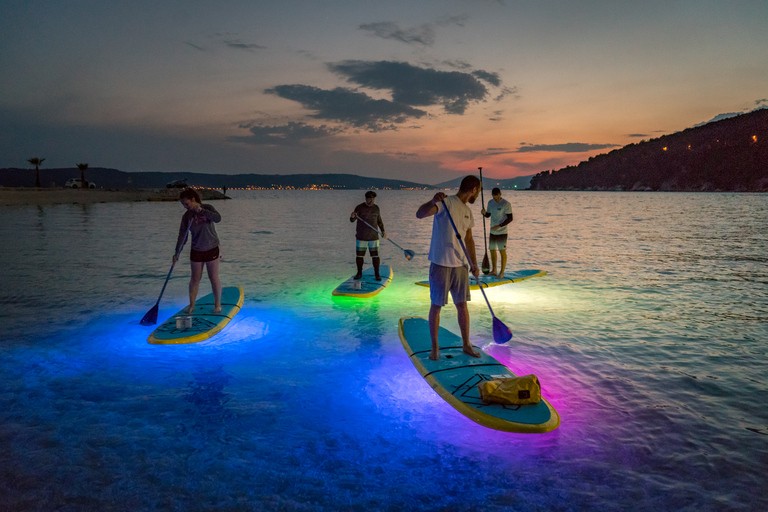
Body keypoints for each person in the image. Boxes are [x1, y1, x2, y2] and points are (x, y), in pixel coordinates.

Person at [416, 176, 482, 361]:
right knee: (436, 306)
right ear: (474, 189)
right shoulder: (446, 203)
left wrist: (473, 264)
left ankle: (466, 345)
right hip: (441, 263)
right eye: (479, 190)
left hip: (460, 265)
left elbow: (469, 240)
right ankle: (435, 347)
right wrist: (432, 201)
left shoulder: (468, 211)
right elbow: (420, 214)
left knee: (462, 306)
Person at [173, 188, 222, 314]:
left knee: (213, 277)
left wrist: (202, 211)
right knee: (195, 279)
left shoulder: (207, 207)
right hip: (196, 250)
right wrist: (177, 252)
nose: (185, 207)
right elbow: (182, 235)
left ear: (193, 199)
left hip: (212, 248)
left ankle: (217, 305)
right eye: (183, 204)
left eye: (186, 204)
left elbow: (218, 218)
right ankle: (192, 306)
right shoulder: (187, 216)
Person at [350, 191, 387, 280]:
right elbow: (352, 220)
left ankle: (377, 274)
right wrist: (352, 216)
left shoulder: (376, 208)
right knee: (359, 256)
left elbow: (379, 221)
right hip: (361, 236)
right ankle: (359, 273)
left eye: (373, 199)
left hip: (373, 237)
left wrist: (383, 231)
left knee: (375, 256)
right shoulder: (359, 207)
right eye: (370, 199)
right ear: (366, 199)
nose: (372, 200)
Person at [480, 187, 514, 279]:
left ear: (500, 194)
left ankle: (501, 273)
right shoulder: (490, 203)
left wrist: (499, 226)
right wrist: (484, 213)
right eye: (494, 197)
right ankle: (494, 270)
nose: (496, 199)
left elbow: (510, 218)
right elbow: (488, 215)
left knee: (502, 251)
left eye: (497, 197)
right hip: (492, 231)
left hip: (502, 232)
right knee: (492, 250)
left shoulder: (506, 204)